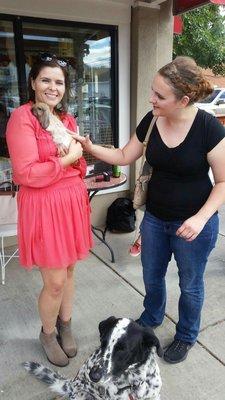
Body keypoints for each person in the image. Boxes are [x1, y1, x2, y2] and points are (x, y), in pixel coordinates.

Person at [75, 56, 225, 364]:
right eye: (151, 91)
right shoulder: (153, 119)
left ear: (183, 100)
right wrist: (90, 147)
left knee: (190, 284)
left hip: (194, 224)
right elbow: (123, 154)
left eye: (159, 95)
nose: (151, 99)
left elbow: (223, 181)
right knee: (152, 276)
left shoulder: (208, 128)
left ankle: (186, 335)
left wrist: (200, 218)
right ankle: (152, 315)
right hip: (155, 219)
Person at [6, 53, 93, 367]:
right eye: (46, 79)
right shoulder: (22, 117)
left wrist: (78, 154)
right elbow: (26, 173)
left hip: (70, 201)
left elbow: (81, 166)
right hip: (43, 206)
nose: (53, 87)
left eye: (59, 82)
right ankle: (47, 332)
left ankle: (64, 323)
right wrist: (68, 159)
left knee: (69, 270)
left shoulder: (66, 120)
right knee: (54, 280)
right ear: (33, 82)